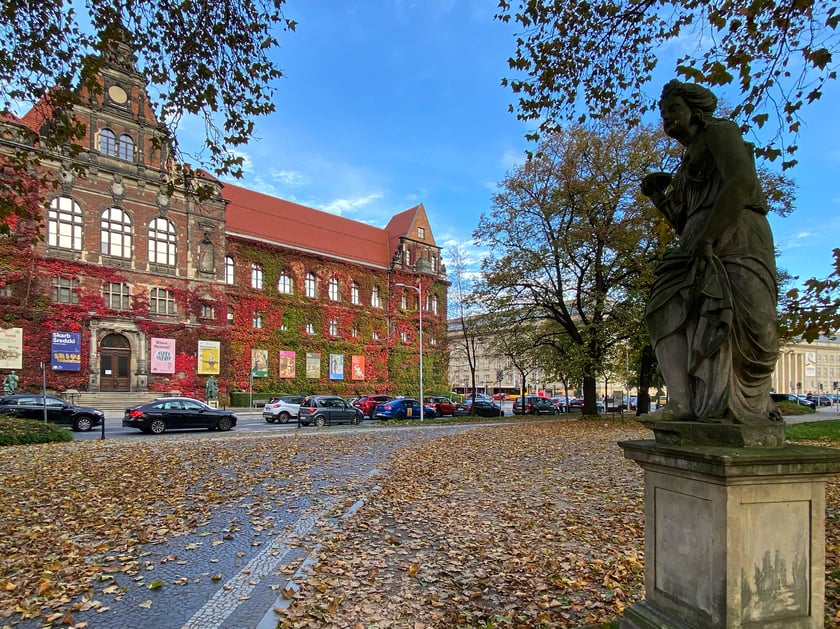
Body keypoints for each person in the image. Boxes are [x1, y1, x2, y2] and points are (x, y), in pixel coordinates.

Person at [641, 80, 779, 425]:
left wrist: (709, 236)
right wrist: (660, 197)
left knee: (750, 323)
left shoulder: (721, 132)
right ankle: (683, 401)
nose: (666, 117)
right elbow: (683, 218)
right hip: (695, 244)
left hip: (735, 236)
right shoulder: (686, 164)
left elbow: (741, 183)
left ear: (696, 109)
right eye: (663, 111)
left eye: (673, 108)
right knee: (664, 309)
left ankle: (750, 407)